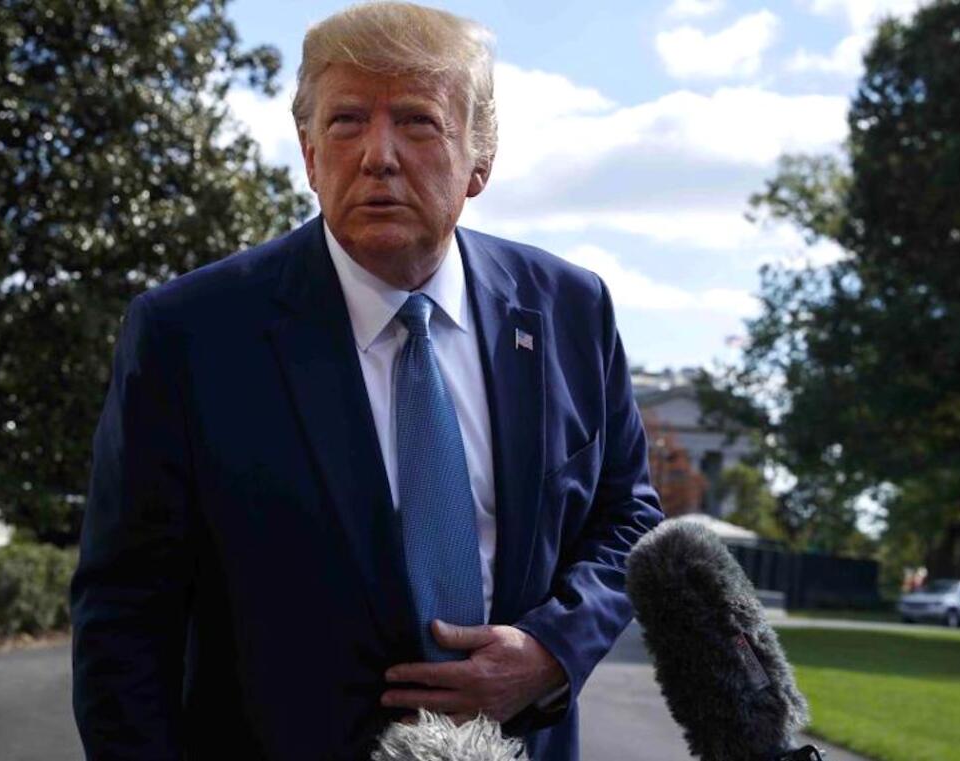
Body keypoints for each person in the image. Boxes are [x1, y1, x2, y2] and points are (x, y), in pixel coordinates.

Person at [69, 3, 665, 760]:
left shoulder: (569, 311)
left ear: (480, 159)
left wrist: (554, 648)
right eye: (347, 121)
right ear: (310, 151)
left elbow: (628, 516)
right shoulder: (189, 334)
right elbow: (124, 615)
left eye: (417, 122)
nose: (378, 154)